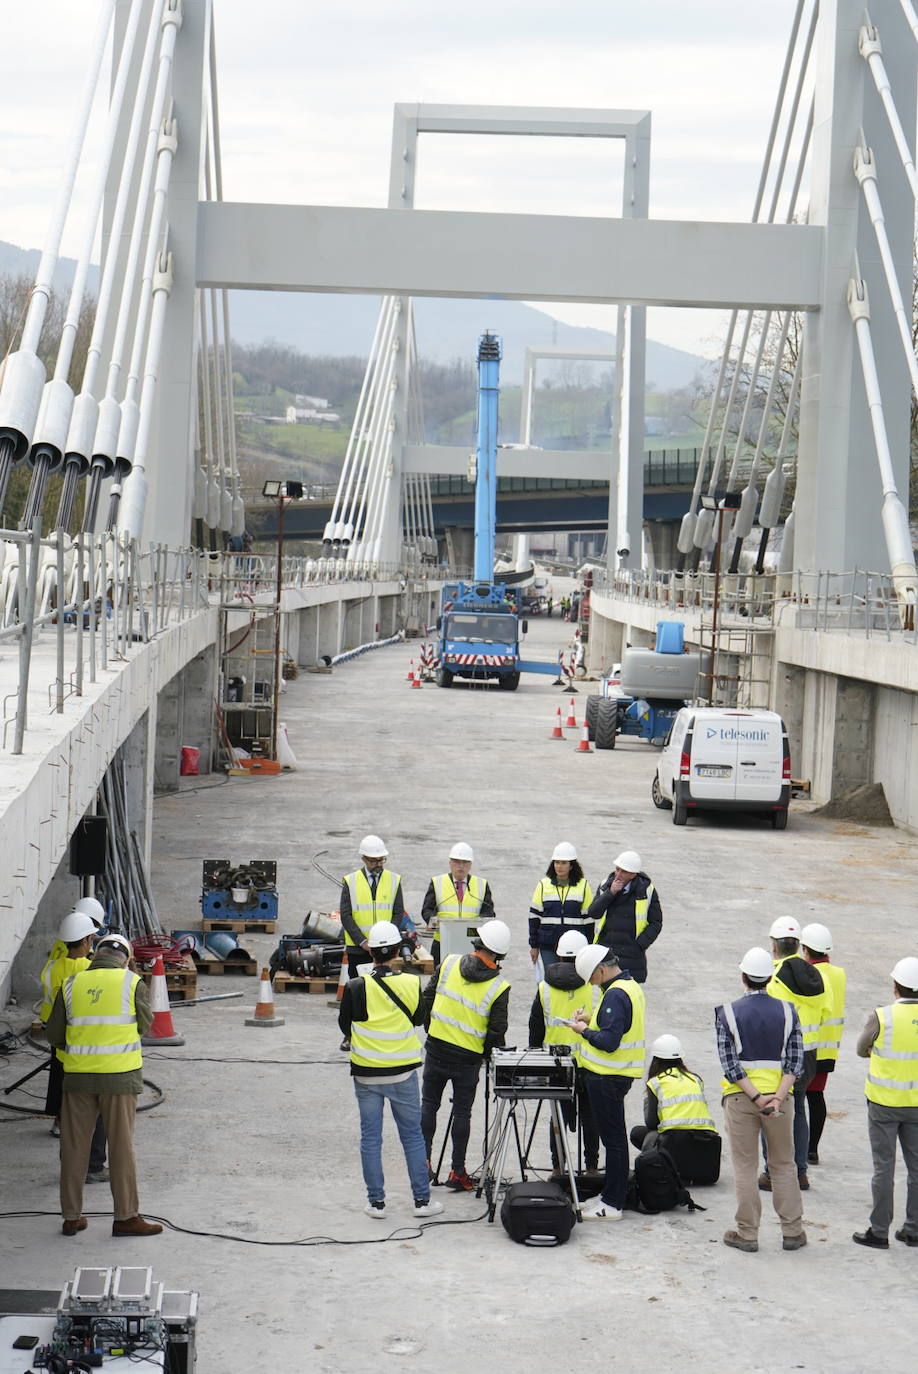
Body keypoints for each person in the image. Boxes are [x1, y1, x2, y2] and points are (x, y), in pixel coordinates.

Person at [46, 932, 162, 1238]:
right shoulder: (132, 982)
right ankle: (125, 1218)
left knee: (73, 1148)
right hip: (120, 1078)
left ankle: (72, 1217)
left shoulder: (71, 984)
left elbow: (55, 1035)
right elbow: (145, 1025)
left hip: (78, 1078)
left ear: (95, 955)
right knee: (121, 1148)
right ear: (125, 958)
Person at [338, 921, 444, 1220]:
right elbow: (418, 1019)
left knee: (370, 1138)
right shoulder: (411, 983)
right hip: (402, 1074)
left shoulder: (356, 985)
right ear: (398, 950)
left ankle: (376, 1203)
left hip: (366, 1074)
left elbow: (345, 1026)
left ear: (370, 951)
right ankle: (422, 1202)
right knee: (412, 1136)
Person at [715, 946, 805, 1253]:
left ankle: (748, 1234)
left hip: (741, 1100)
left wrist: (756, 1097)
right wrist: (776, 1099)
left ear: (743, 976)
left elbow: (730, 1066)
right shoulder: (788, 1011)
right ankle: (793, 1232)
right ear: (769, 978)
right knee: (783, 1164)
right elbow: (795, 1063)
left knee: (745, 1166)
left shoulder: (727, 1012)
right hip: (781, 1102)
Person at [421, 919, 511, 1192]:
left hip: (436, 1048)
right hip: (468, 1059)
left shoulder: (448, 963)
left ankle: (421, 1163)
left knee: (429, 1106)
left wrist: (432, 1030)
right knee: (462, 1112)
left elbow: (427, 999)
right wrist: (485, 1055)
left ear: (478, 942)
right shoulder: (499, 986)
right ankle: (457, 1171)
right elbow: (497, 1031)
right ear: (499, 953)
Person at [569, 944, 646, 1220]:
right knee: (614, 1139)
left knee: (613, 1141)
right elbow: (618, 1025)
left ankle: (613, 1203)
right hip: (616, 1076)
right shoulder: (629, 986)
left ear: (601, 970)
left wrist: (584, 1030)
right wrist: (592, 1019)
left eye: (591, 978)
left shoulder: (614, 995)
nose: (591, 984)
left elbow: (610, 1042)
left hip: (607, 1076)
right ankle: (610, 1195)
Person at [852, 955, 918, 1249]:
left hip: (883, 1104)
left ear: (896, 987)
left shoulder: (882, 1016)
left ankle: (879, 1231)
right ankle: (913, 1228)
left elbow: (860, 1049)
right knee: (916, 1168)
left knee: (884, 1168)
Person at [759, 916, 828, 1193]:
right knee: (798, 1109)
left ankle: (772, 1172)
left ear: (774, 945)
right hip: (809, 1053)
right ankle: (800, 1172)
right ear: (799, 946)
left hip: (781, 1055)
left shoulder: (773, 976)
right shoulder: (815, 976)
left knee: (772, 1110)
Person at [39, 910, 108, 1184]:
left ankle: (70, 1167)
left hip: (62, 1051)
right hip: (88, 1055)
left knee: (69, 1114)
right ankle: (93, 1166)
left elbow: (47, 1013)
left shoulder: (51, 969)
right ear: (88, 939)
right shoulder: (91, 971)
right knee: (98, 1114)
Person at [528, 930, 601, 1176]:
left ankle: (558, 1169)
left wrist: (535, 1055)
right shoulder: (595, 988)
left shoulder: (544, 988)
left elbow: (535, 1026)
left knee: (557, 1118)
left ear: (558, 956)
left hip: (555, 1064)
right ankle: (591, 1169)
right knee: (590, 1118)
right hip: (589, 1064)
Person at [629, 1033, 721, 1185]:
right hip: (704, 1142)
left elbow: (652, 1123)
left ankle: (670, 1167)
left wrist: (648, 1100)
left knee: (638, 1133)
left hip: (673, 1144)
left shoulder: (656, 1082)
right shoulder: (695, 1078)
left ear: (655, 1060)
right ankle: (693, 1170)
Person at [800, 922, 846, 1165]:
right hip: (828, 1048)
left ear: (805, 949)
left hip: (808, 1046)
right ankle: (812, 1150)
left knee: (796, 1100)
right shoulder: (839, 974)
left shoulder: (807, 974)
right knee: (816, 1096)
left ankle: (798, 1147)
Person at [339, 835, 413, 979]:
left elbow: (398, 912)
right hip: (358, 948)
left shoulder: (394, 880)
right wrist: (363, 942)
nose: (378, 864)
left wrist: (388, 938)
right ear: (364, 859)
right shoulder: (350, 881)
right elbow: (346, 916)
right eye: (373, 861)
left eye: (381, 860)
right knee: (359, 989)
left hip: (385, 949)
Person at [587, 849, 662, 983]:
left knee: (630, 999)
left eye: (624, 871)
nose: (619, 874)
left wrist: (639, 945)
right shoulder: (606, 885)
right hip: (607, 953)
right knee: (607, 999)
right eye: (617, 869)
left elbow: (656, 922)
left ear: (633, 875)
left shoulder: (646, 890)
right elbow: (593, 913)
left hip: (631, 956)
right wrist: (610, 893)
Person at [421, 842, 494, 968]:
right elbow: (427, 909)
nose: (460, 866)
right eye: (456, 862)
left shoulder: (481, 885)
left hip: (471, 943)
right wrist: (433, 921)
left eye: (465, 863)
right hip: (443, 942)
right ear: (450, 863)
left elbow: (489, 913)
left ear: (470, 865)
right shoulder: (437, 882)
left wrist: (475, 925)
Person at [529, 842, 594, 976]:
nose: (559, 866)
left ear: (571, 865)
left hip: (575, 945)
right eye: (557, 862)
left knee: (573, 979)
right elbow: (534, 918)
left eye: (564, 863)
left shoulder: (583, 885)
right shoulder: (543, 885)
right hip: (548, 944)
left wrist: (590, 946)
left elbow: (588, 919)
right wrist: (534, 946)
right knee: (551, 979)